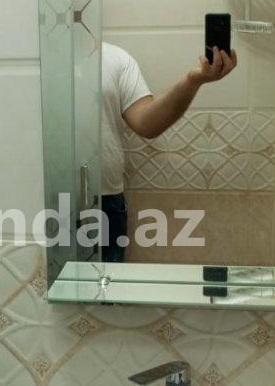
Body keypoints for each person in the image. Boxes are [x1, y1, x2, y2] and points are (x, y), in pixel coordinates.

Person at [101, 41, 238, 261]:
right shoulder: (40, 60)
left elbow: (148, 123)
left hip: (105, 201)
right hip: (47, 199)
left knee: (105, 283)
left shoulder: (115, 59)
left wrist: (192, 81)